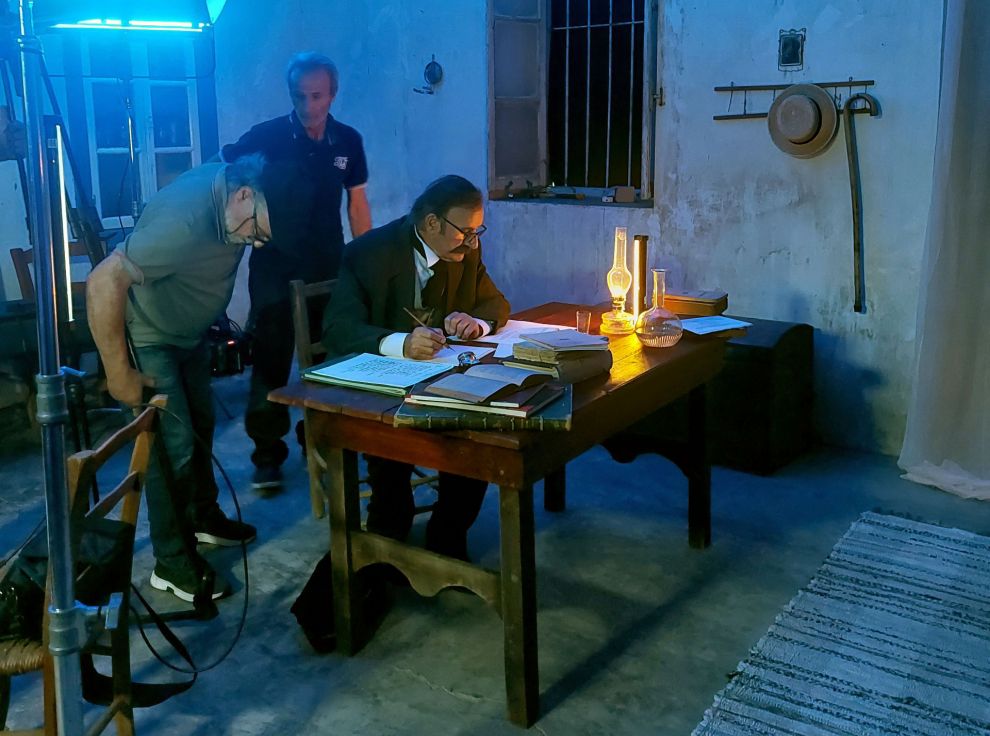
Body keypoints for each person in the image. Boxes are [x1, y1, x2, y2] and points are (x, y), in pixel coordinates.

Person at [86, 155, 289, 602]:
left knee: (200, 426)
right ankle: (172, 563)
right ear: (243, 195)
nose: (255, 244)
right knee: (170, 447)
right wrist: (118, 373)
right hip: (149, 336)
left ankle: (202, 518)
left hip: (188, 334)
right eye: (256, 231)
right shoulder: (185, 220)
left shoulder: (237, 207)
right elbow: (103, 281)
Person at [323, 174, 510, 560]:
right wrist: (400, 343)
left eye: (477, 232)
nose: (473, 242)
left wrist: (476, 323)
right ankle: (383, 550)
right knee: (393, 494)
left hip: (440, 385)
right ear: (431, 223)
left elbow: (495, 304)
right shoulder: (369, 253)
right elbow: (338, 329)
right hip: (381, 395)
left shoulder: (464, 253)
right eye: (465, 232)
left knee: (477, 447)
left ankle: (446, 539)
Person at [220, 52, 371, 492]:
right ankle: (266, 453)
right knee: (271, 356)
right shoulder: (266, 136)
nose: (308, 105)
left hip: (328, 262)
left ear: (333, 94)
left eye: (317, 96)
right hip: (275, 264)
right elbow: (223, 174)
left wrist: (364, 260)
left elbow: (357, 203)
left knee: (329, 357)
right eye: (299, 96)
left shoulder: (347, 141)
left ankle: (321, 439)